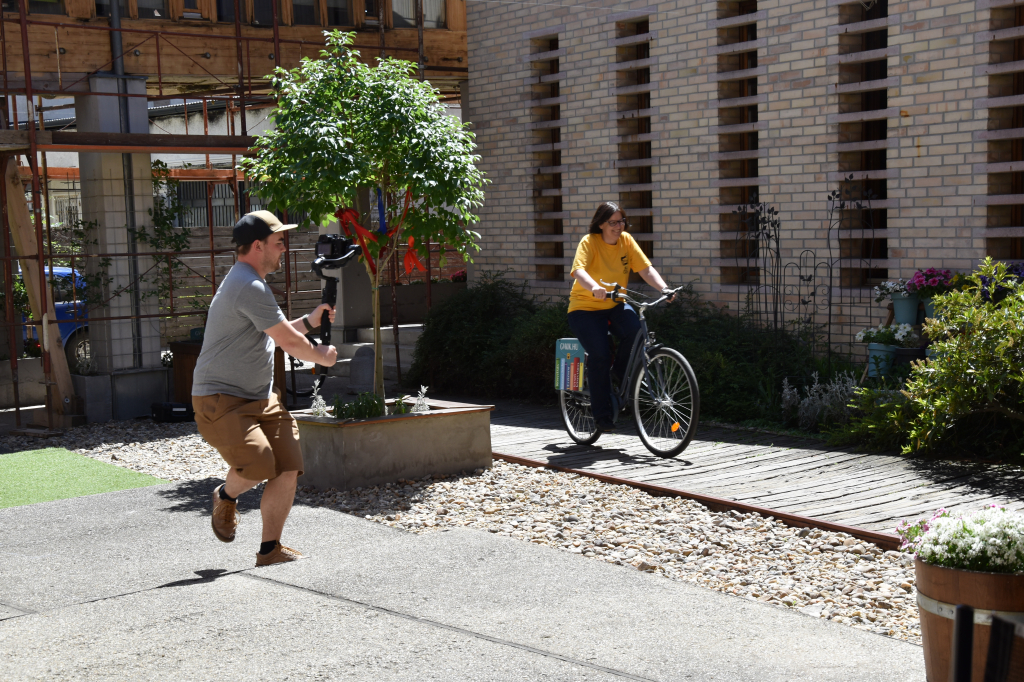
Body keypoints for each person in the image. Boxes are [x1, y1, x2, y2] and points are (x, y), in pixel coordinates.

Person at [192, 210, 339, 567]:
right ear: (258, 246)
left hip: (260, 398)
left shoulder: (249, 281)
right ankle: (225, 495)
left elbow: (275, 333)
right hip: (221, 400)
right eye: (279, 242)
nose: (284, 248)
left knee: (287, 466)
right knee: (259, 465)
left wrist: (309, 321)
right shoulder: (249, 285)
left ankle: (269, 549)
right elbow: (289, 343)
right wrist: (322, 355)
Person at [568, 201, 674, 432]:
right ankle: (602, 415)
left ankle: (618, 371)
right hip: (585, 308)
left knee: (636, 332)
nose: (619, 226)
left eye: (621, 221)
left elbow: (645, 269)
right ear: (601, 224)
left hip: (615, 304)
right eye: (613, 222)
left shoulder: (626, 241)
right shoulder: (589, 242)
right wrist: (594, 287)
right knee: (600, 355)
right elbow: (579, 270)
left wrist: (664, 289)